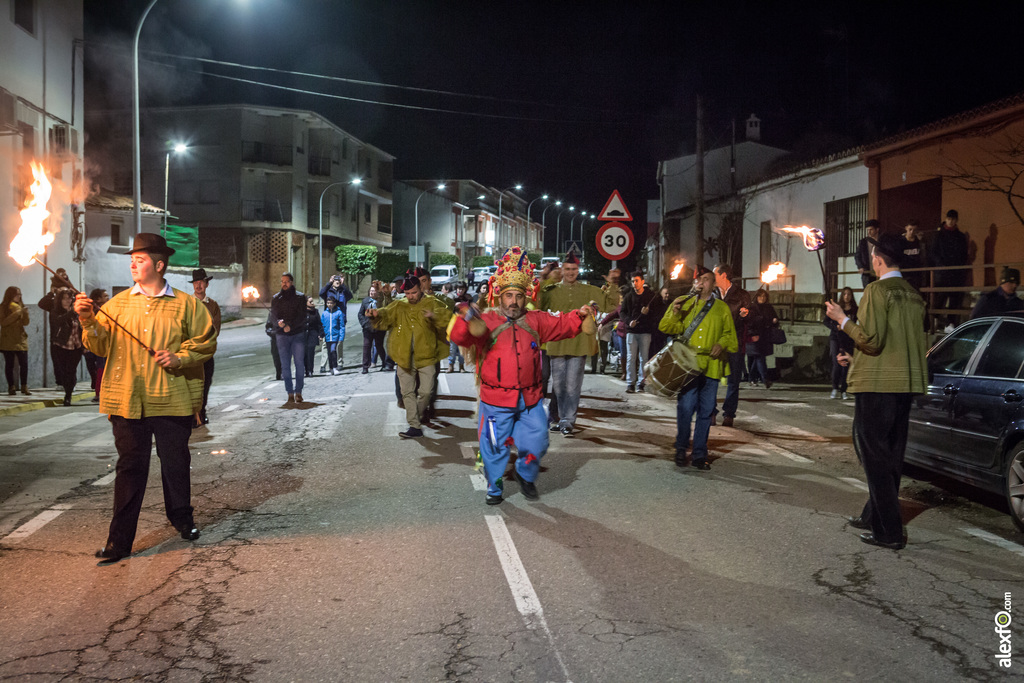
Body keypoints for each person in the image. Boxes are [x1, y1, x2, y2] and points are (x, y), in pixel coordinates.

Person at [74, 233, 216, 566]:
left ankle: (182, 518)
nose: (133, 264)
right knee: (129, 469)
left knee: (176, 465)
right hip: (127, 402)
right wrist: (86, 319)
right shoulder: (118, 304)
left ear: (159, 264)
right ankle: (119, 541)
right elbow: (99, 346)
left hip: (171, 400)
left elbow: (206, 341)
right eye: (132, 259)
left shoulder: (185, 304)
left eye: (140, 259)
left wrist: (180, 357)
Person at [451, 247, 594, 505]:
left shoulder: (536, 320)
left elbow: (565, 324)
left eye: (518, 295)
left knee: (537, 443)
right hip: (495, 402)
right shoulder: (487, 321)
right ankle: (494, 489)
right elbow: (460, 337)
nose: (514, 301)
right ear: (500, 297)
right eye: (508, 296)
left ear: (524, 296)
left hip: (530, 401)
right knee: (494, 448)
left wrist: (581, 314)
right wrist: (465, 316)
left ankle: (525, 475)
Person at [825, 234, 927, 550]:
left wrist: (842, 320)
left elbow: (872, 340)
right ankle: (874, 514)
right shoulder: (913, 294)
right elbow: (898, 343)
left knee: (875, 458)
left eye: (872, 255)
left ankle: (888, 531)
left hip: (877, 385)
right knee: (891, 456)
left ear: (878, 260)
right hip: (905, 384)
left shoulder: (875, 290)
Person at [659, 266, 738, 471]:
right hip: (687, 366)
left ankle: (699, 454)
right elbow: (666, 328)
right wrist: (675, 313)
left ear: (713, 284)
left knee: (705, 411)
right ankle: (681, 447)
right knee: (685, 408)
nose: (701, 283)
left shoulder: (721, 308)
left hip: (711, 366)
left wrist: (721, 343)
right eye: (698, 280)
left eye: (706, 279)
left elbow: (730, 335)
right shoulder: (684, 303)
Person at [367, 275, 451, 438]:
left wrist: (433, 317)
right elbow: (385, 316)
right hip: (404, 357)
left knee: (426, 392)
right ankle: (414, 426)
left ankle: (417, 417)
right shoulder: (399, 305)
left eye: (413, 292)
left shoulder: (433, 303)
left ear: (420, 289)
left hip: (426, 356)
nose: (410, 296)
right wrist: (374, 315)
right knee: (407, 392)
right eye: (407, 293)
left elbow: (447, 318)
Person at [539, 250, 606, 436]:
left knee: (572, 385)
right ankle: (560, 418)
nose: (570, 272)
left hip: (579, 344)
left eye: (574, 269)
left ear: (578, 270)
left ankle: (568, 421)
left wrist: (613, 284)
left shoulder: (588, 290)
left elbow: (610, 303)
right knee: (559, 385)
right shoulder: (550, 291)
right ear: (562, 270)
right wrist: (545, 279)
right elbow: (536, 304)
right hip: (556, 343)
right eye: (567, 269)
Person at [713, 263, 750, 427]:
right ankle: (710, 412)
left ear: (723, 275)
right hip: (715, 343)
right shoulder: (712, 295)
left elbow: (754, 317)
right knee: (712, 378)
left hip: (735, 342)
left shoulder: (742, 295)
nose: (712, 278)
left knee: (733, 380)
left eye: (714, 274)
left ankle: (729, 414)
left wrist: (746, 315)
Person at [39, 287, 83, 406]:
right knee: (63, 372)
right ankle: (68, 388)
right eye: (64, 299)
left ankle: (68, 395)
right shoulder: (55, 311)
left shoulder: (76, 311)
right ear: (60, 300)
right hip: (61, 345)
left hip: (76, 346)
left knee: (71, 370)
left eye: (69, 298)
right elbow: (57, 322)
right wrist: (71, 312)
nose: (67, 301)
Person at [270, 272, 307, 404]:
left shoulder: (300, 297)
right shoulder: (276, 298)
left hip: (297, 334)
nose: (284, 284)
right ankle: (289, 393)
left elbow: (302, 316)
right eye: (282, 281)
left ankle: (299, 392)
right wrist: (279, 323)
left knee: (299, 364)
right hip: (282, 336)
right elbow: (273, 316)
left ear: (291, 283)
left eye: (286, 281)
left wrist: (290, 325)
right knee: (285, 365)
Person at [189, 269, 221, 425]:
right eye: (196, 282)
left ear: (207, 284)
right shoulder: (187, 303)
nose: (198, 285)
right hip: (191, 353)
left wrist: (205, 342)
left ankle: (202, 411)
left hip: (207, 353)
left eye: (201, 282)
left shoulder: (213, 305)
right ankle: (191, 415)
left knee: (206, 383)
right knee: (192, 383)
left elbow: (215, 329)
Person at [929, 209, 970, 330]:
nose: (951, 221)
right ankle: (939, 322)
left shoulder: (960, 236)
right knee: (939, 299)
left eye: (953, 219)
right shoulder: (938, 235)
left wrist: (960, 267)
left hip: (956, 273)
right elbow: (933, 252)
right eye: (949, 219)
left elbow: (964, 254)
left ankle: (951, 324)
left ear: (956, 220)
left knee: (954, 300)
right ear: (946, 219)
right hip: (942, 273)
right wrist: (941, 264)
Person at [621, 271, 659, 393]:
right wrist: (629, 321)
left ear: (642, 281)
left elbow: (657, 313)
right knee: (631, 358)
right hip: (632, 332)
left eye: (637, 280)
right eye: (632, 281)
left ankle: (641, 383)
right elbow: (623, 312)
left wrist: (648, 313)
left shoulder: (650, 296)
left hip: (645, 331)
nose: (634, 283)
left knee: (644, 358)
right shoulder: (628, 296)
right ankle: (630, 383)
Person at [824, 287, 858, 399]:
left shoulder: (855, 309)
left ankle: (844, 390)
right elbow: (826, 321)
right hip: (836, 338)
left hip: (848, 338)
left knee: (846, 364)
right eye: (845, 294)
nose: (847, 296)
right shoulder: (837, 308)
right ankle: (834, 388)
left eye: (849, 294)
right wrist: (835, 327)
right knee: (836, 363)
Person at [744, 288, 778, 389]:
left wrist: (774, 321)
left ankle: (752, 378)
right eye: (760, 296)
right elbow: (749, 322)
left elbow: (773, 318)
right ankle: (765, 378)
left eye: (764, 296)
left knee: (757, 357)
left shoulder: (768, 307)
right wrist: (752, 333)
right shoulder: (752, 307)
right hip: (754, 336)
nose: (762, 298)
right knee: (759, 357)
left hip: (765, 336)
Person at [319, 275, 353, 371]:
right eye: (335, 280)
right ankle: (323, 364)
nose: (337, 281)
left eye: (339, 280)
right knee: (326, 343)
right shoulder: (328, 290)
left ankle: (339, 362)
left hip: (340, 318)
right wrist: (329, 283)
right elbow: (321, 293)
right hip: (328, 319)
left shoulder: (343, 291)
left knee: (339, 342)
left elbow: (350, 296)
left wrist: (344, 285)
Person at [0, 286, 30, 396]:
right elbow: (3, 322)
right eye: (17, 294)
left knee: (24, 364)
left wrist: (25, 314)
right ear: (10, 295)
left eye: (20, 294)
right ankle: (11, 387)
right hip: (8, 339)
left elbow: (25, 323)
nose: (19, 296)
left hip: (21, 339)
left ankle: (24, 386)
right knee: (10, 364)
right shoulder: (3, 307)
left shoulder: (20, 306)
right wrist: (18, 313)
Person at [83, 288, 109, 403]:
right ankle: (98, 392)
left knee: (100, 368)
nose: (107, 298)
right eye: (105, 296)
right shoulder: (95, 311)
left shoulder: (107, 309)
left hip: (103, 343)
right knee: (99, 368)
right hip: (96, 343)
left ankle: (99, 391)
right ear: (98, 299)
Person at [358, 284, 389, 374]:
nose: (371, 292)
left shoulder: (380, 302)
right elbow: (360, 314)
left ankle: (384, 362)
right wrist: (364, 323)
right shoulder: (365, 301)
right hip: (368, 328)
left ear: (377, 293)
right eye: (370, 291)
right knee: (367, 346)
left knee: (379, 346)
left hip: (379, 329)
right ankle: (365, 366)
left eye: (373, 291)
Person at [446, 282, 473, 373]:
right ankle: (451, 365)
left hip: (464, 325)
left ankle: (461, 366)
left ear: (465, 289)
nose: (460, 291)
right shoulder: (452, 298)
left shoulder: (468, 298)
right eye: (458, 289)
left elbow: (472, 311)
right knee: (452, 348)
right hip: (454, 325)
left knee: (462, 348)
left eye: (462, 289)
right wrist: (453, 305)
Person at [321, 297, 346, 375]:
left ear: (334, 304)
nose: (329, 305)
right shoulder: (324, 313)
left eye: (331, 303)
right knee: (329, 353)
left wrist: (341, 337)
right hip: (327, 336)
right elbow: (322, 325)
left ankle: (335, 367)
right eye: (328, 303)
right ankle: (330, 368)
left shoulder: (338, 313)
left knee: (333, 351)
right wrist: (321, 335)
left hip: (335, 336)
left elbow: (342, 326)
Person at [900, 220, 925, 291]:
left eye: (914, 230)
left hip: (916, 273)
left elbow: (923, 257)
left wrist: (921, 241)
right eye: (910, 229)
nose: (911, 232)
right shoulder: (900, 241)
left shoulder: (919, 241)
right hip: (904, 273)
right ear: (906, 228)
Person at [855, 219, 880, 289]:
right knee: (868, 293)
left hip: (880, 272)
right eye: (868, 230)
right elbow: (857, 256)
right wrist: (860, 266)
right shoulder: (863, 242)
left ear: (877, 229)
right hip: (867, 273)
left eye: (871, 229)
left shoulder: (882, 241)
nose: (869, 232)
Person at [303, 296, 324, 377]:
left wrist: (321, 334)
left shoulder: (315, 311)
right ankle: (305, 370)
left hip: (312, 334)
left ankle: (310, 370)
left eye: (312, 301)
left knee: (310, 353)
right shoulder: (301, 312)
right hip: (303, 335)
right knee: (304, 354)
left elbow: (319, 324)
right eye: (310, 302)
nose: (312, 303)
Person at [265, 310, 282, 381]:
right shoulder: (272, 313)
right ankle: (278, 373)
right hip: (275, 339)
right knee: (276, 357)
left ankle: (284, 373)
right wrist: (273, 333)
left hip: (286, 339)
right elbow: (268, 327)